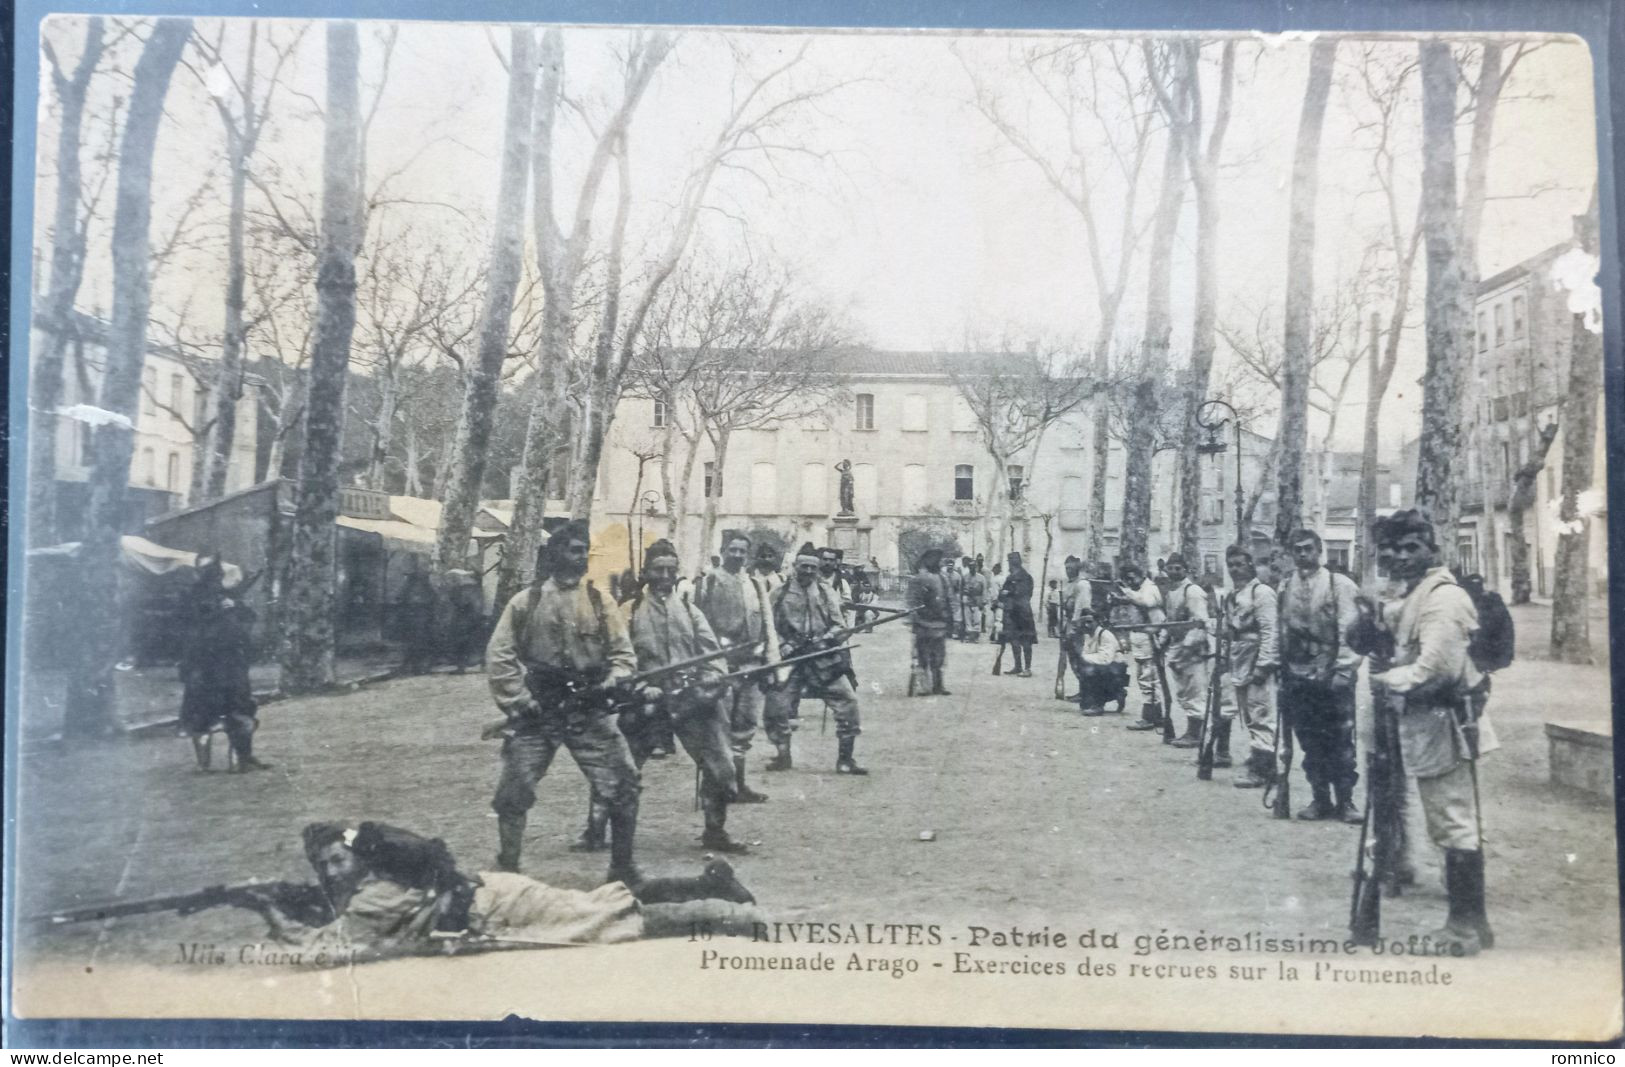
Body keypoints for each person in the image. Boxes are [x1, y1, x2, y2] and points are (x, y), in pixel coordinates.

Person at [251, 821, 760, 953]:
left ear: (355, 856)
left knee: (606, 919)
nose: (333, 871)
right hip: (497, 894)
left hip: (502, 909)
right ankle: (703, 883)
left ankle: (726, 920)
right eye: (326, 865)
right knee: (597, 903)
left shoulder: (377, 893)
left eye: (338, 860)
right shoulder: (385, 874)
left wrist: (271, 915)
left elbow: (332, 948)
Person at [1363, 510, 1497, 954]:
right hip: (1424, 722)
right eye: (1393, 549)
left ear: (1432, 550)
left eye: (1411, 547)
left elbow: (1434, 671)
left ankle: (1463, 927)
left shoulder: (1443, 598)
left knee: (1452, 822)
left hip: (1445, 721)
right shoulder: (1414, 594)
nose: (1400, 557)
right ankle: (1475, 923)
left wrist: (1384, 681)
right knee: (1450, 821)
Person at [484, 520, 644, 882]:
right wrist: (519, 700)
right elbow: (499, 656)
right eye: (574, 549)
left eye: (584, 550)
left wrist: (612, 682)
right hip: (540, 710)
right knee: (513, 789)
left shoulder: (599, 600)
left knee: (624, 783)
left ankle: (623, 869)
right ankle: (508, 866)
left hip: (589, 710)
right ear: (556, 553)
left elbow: (623, 655)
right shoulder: (528, 601)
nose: (582, 556)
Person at [624, 539, 749, 853]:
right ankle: (597, 829)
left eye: (670, 569)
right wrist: (638, 686)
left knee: (720, 765)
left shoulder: (690, 610)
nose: (665, 576)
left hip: (687, 698)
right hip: (645, 700)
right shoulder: (629, 611)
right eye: (658, 569)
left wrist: (711, 676)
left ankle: (714, 831)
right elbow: (618, 658)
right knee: (621, 769)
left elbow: (712, 653)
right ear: (646, 572)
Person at [1278, 527, 1363, 823]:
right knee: (1309, 739)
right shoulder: (1285, 586)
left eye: (1308, 549)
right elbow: (1283, 631)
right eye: (1297, 549)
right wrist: (1282, 670)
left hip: (1331, 673)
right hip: (1298, 674)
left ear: (1319, 551)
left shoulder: (1338, 584)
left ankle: (1347, 801)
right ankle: (1320, 799)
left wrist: (1344, 670)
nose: (1303, 554)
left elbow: (1350, 630)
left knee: (1340, 739)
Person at [763, 543, 866, 774]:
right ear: (795, 566)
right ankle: (782, 755)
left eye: (812, 567)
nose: (808, 571)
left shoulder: (826, 591)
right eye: (804, 566)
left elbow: (840, 626)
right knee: (775, 705)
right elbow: (767, 626)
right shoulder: (778, 593)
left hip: (822, 660)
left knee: (848, 701)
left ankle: (845, 759)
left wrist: (827, 640)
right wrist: (784, 644)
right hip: (791, 661)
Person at [696, 532, 780, 806]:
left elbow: (767, 624)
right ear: (723, 550)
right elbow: (697, 624)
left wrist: (771, 663)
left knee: (745, 726)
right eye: (732, 550)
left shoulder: (755, 584)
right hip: (722, 666)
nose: (737, 555)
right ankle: (718, 786)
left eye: (743, 551)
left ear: (748, 554)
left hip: (752, 664)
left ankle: (738, 785)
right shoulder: (709, 581)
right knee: (720, 728)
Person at [178, 563, 267, 772]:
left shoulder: (194, 600)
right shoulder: (224, 603)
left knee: (201, 710)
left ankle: (206, 764)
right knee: (238, 708)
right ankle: (238, 760)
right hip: (226, 664)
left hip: (201, 666)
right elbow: (243, 628)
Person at [1223, 546, 1279, 788]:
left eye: (1239, 564)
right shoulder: (1232, 594)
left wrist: (1264, 665)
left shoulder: (1262, 592)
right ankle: (1259, 760)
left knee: (1261, 712)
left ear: (1250, 565)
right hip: (1239, 660)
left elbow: (1270, 631)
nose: (1235, 569)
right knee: (1249, 713)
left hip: (1257, 660)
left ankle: (1263, 768)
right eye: (1231, 564)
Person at [1163, 554, 1213, 750]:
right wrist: (1163, 639)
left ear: (1186, 570)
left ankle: (1195, 733)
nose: (1174, 572)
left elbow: (1200, 623)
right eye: (1171, 568)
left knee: (1194, 689)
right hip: (1177, 644)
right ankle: (1191, 731)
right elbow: (1170, 621)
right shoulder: (1171, 592)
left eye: (1178, 568)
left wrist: (1187, 648)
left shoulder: (1192, 591)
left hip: (1192, 647)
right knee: (1183, 691)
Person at [1114, 562, 1168, 733]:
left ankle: (1150, 716)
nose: (1130, 582)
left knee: (1149, 677)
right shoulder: (1138, 589)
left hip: (1151, 636)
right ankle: (1156, 715)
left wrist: (1127, 593)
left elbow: (1147, 602)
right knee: (1145, 676)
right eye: (1127, 580)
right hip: (1141, 636)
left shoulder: (1149, 588)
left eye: (1132, 578)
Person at [906, 548, 953, 696]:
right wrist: (915, 619)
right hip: (923, 623)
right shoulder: (918, 579)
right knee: (922, 656)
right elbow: (912, 602)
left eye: (939, 560)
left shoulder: (943, 578)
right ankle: (923, 687)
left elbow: (948, 600)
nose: (938, 563)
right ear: (927, 561)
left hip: (940, 624)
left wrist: (950, 619)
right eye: (935, 560)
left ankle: (938, 685)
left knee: (939, 657)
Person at [1071, 606, 1127, 716]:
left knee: (1094, 670)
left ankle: (1099, 704)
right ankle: (1115, 693)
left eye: (1090, 622)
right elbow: (1085, 653)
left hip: (1115, 667)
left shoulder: (1105, 635)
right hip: (1100, 665)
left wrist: (1084, 658)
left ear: (1097, 622)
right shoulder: (1088, 635)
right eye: (1085, 622)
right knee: (1085, 704)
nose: (1087, 625)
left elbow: (1105, 659)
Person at [997, 552, 1037, 676]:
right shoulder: (1010, 578)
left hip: (1023, 613)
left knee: (1026, 640)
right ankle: (1018, 666)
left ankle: (1027, 668)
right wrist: (1005, 594)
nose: (1009, 564)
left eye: (1011, 561)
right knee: (1014, 640)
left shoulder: (1026, 577)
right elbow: (1001, 594)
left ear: (1015, 562)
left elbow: (1024, 594)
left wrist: (1008, 593)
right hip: (1011, 613)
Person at [395, 566, 438, 675]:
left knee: (412, 643)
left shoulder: (409, 587)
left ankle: (411, 665)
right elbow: (434, 600)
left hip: (412, 620)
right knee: (419, 644)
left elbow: (399, 597)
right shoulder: (427, 588)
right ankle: (415, 666)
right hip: (422, 621)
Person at [442, 570, 486, 674]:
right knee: (472, 643)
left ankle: (461, 667)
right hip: (472, 619)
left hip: (464, 620)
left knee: (461, 643)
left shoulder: (465, 589)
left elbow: (461, 602)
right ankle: (480, 662)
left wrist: (451, 592)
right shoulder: (476, 589)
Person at [817, 547, 852, 627]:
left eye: (831, 560)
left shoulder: (842, 583)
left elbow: (847, 606)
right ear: (819, 560)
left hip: (835, 626)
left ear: (835, 562)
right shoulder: (812, 580)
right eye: (825, 559)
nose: (827, 562)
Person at [942, 556, 964, 641]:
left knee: (956, 616)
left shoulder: (957, 575)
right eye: (948, 565)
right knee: (946, 615)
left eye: (951, 565)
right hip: (945, 597)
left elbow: (960, 588)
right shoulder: (942, 574)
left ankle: (955, 633)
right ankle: (946, 632)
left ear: (953, 565)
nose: (950, 566)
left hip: (954, 597)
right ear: (946, 565)